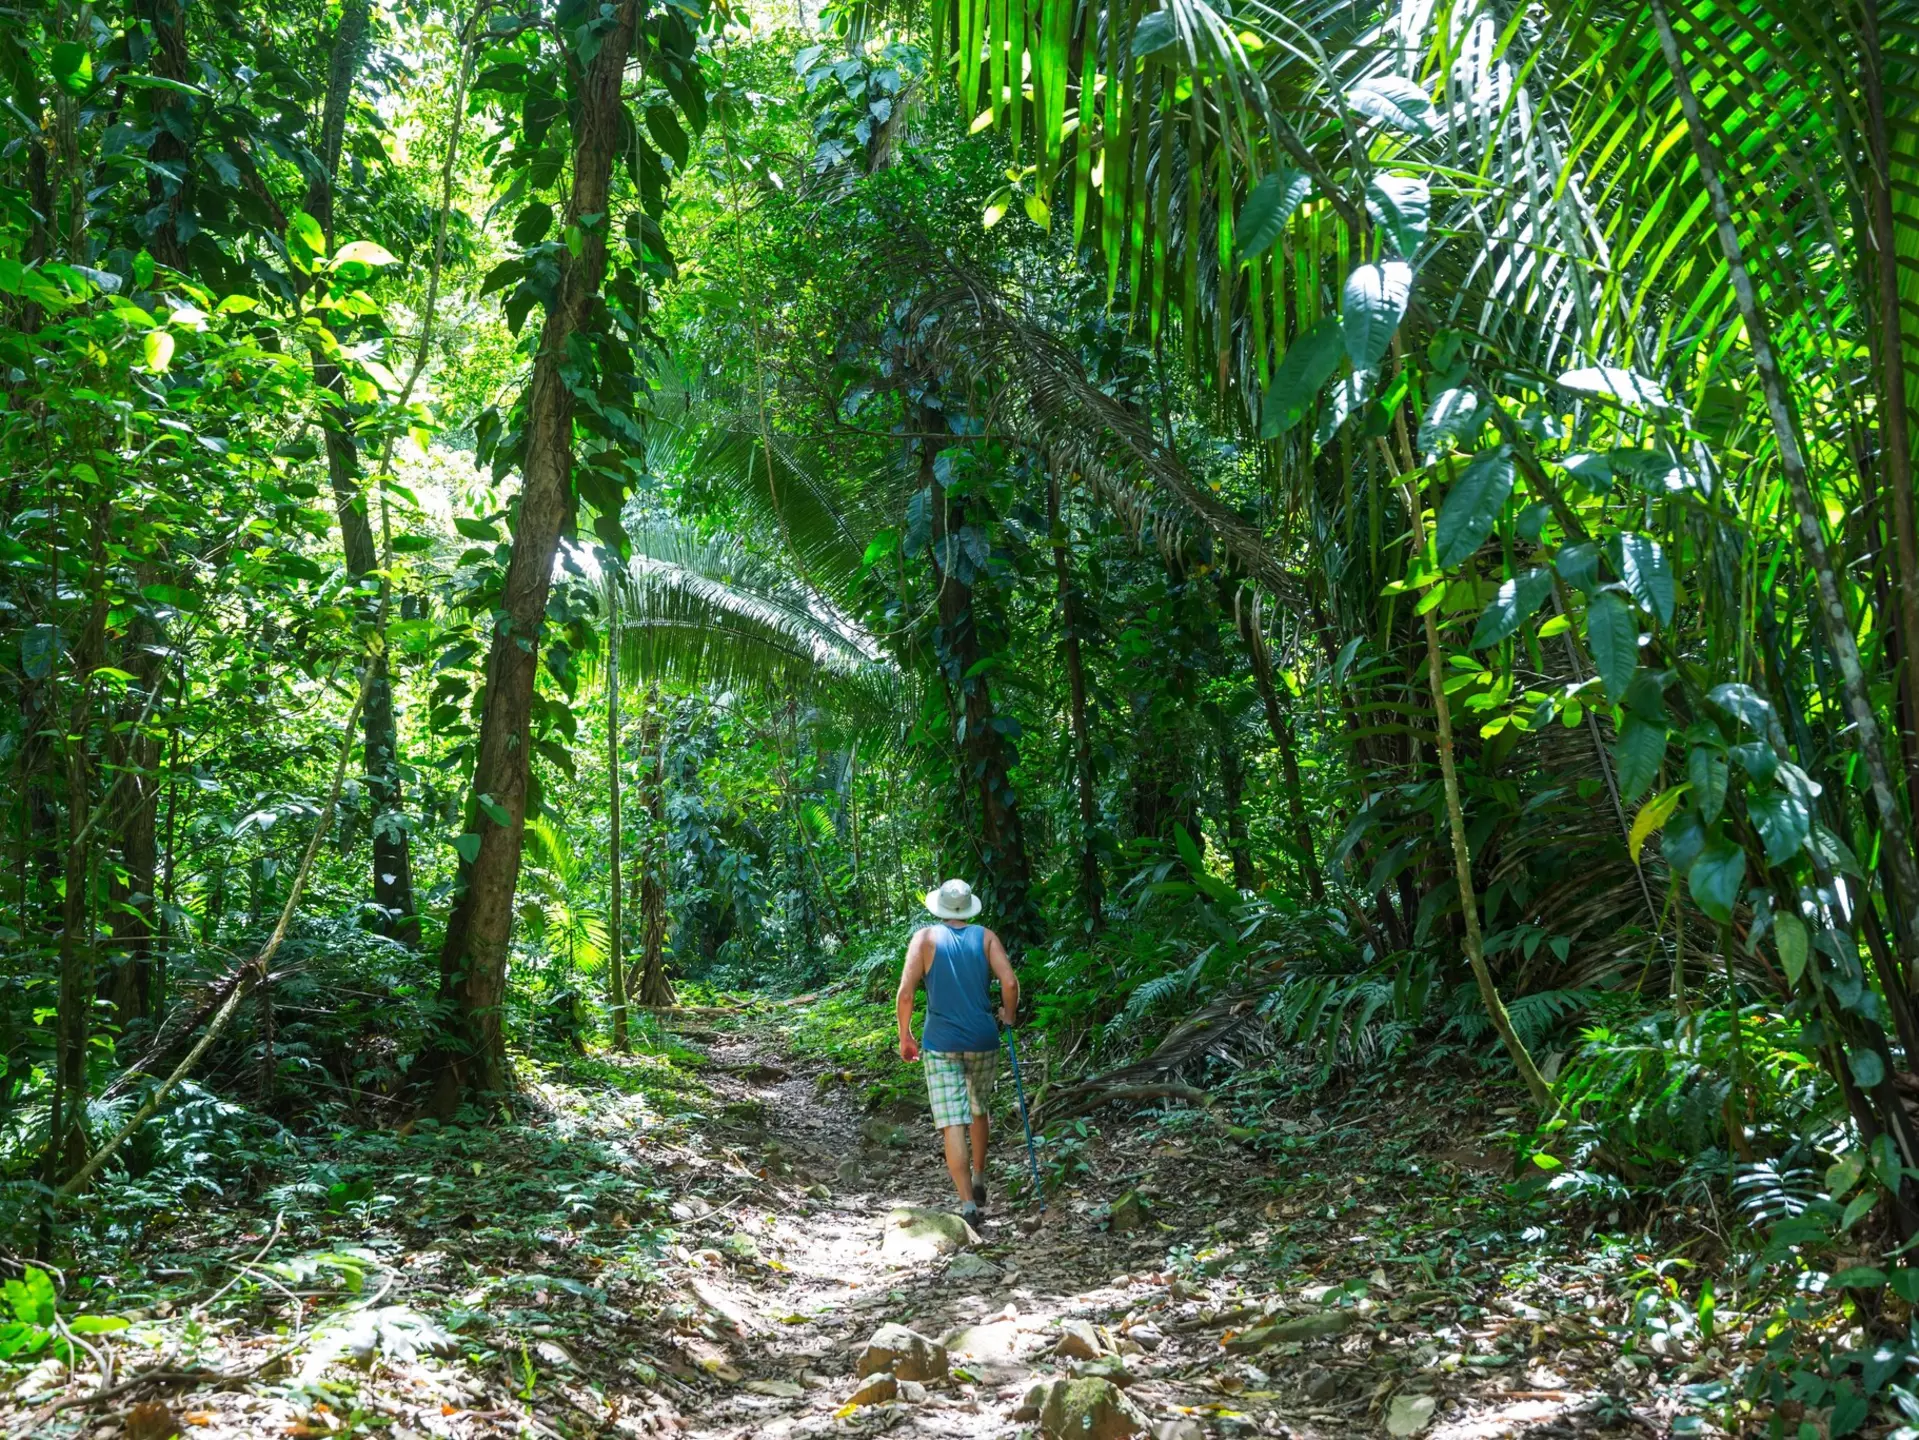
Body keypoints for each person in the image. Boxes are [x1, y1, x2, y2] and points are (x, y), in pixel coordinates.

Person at [896, 877, 1019, 1226]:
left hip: (941, 1043)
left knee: (952, 1120)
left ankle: (967, 1203)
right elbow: (1009, 983)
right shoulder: (986, 937)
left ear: (940, 908)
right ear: (967, 908)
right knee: (979, 1108)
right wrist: (1008, 1016)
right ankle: (980, 1176)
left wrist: (905, 1036)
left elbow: (906, 994)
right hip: (983, 1039)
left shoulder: (924, 940)